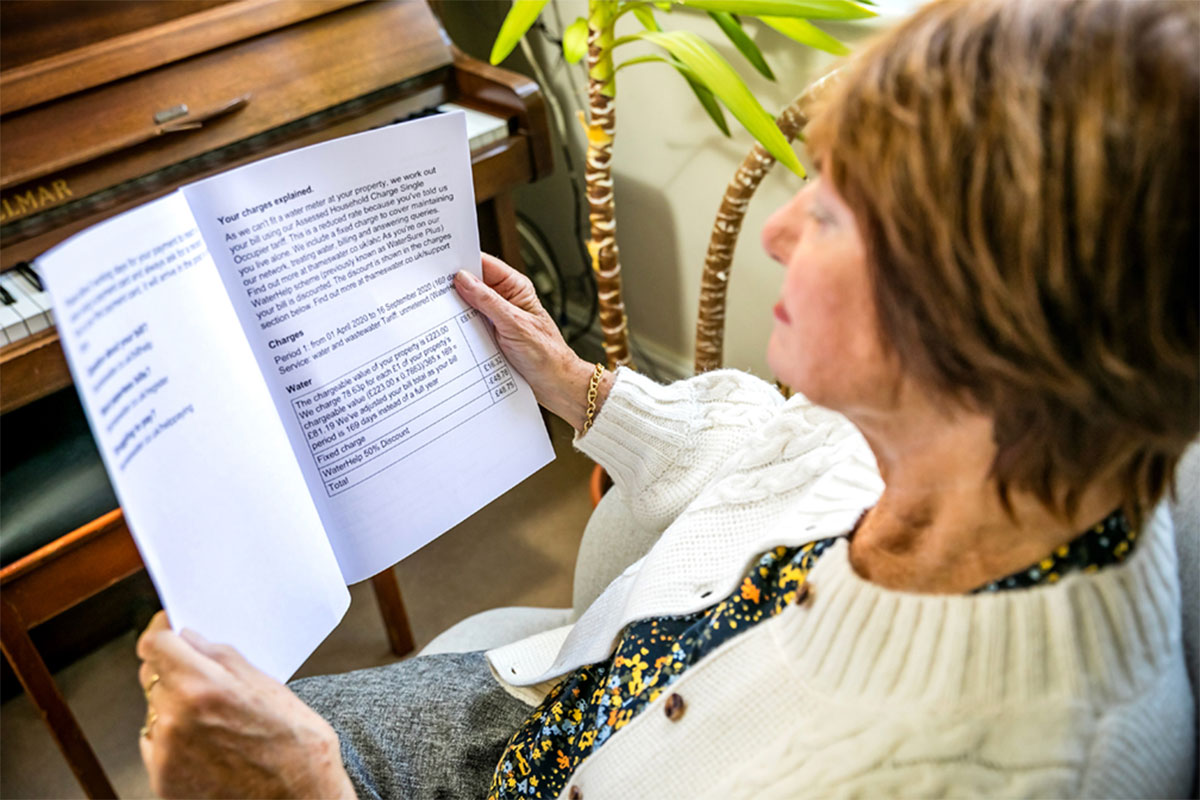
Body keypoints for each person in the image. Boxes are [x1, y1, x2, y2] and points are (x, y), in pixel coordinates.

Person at [134, 0, 1198, 797]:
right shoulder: (1013, 447)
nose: (781, 229)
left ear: (982, 328)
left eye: (831, 215)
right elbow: (785, 447)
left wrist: (314, 785)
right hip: (568, 696)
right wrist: (583, 384)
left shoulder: (993, 765)